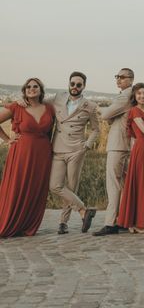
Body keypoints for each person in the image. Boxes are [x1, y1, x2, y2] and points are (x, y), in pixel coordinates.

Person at [14, 71, 100, 234]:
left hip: (76, 150)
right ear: (69, 84)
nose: (75, 87)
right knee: (55, 186)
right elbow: (38, 103)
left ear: (84, 86)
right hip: (57, 148)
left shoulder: (90, 106)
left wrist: (87, 146)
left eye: (79, 85)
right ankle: (84, 211)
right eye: (72, 84)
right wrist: (22, 100)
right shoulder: (58, 98)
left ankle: (63, 223)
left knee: (72, 186)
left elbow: (96, 129)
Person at [0, 78, 55, 237]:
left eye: (35, 86)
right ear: (24, 91)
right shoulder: (17, 107)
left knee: (36, 188)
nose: (32, 89)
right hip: (22, 152)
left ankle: (27, 224)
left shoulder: (49, 108)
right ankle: (10, 222)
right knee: (18, 185)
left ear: (40, 89)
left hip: (43, 153)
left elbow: (51, 132)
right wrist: (7, 140)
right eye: (28, 87)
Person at [94, 68, 135, 236]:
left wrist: (98, 108)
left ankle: (111, 223)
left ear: (131, 79)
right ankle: (123, 219)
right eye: (117, 76)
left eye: (122, 77)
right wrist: (109, 113)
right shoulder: (127, 96)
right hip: (126, 144)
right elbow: (111, 118)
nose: (118, 79)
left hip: (118, 144)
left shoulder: (125, 96)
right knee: (124, 184)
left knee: (113, 183)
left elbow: (107, 116)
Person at [117, 83, 144, 234]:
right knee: (141, 183)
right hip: (142, 149)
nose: (142, 96)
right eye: (139, 93)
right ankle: (136, 223)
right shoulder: (135, 110)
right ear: (134, 96)